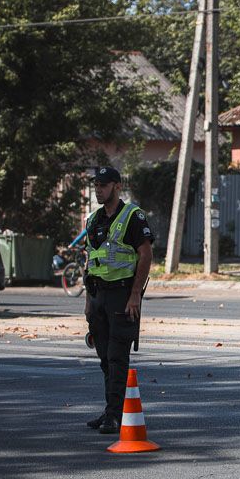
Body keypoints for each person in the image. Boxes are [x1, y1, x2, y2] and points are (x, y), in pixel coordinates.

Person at [83, 166, 154, 434]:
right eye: (96, 185)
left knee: (116, 357)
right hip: (99, 297)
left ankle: (115, 415)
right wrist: (89, 302)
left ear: (117, 186)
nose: (98, 189)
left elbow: (145, 255)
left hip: (122, 296)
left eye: (103, 185)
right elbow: (91, 260)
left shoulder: (133, 216)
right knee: (104, 359)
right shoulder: (93, 220)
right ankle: (110, 411)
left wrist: (135, 294)